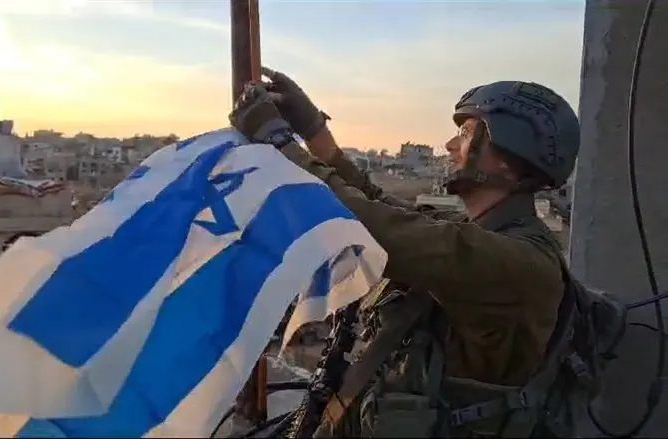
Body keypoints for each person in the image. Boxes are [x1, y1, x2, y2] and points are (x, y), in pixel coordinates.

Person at [229, 70, 587, 437]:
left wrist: (278, 143)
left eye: (465, 134)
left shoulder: (518, 263)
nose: (449, 145)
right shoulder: (484, 232)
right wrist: (313, 130)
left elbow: (376, 226)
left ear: (509, 159)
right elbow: (377, 202)